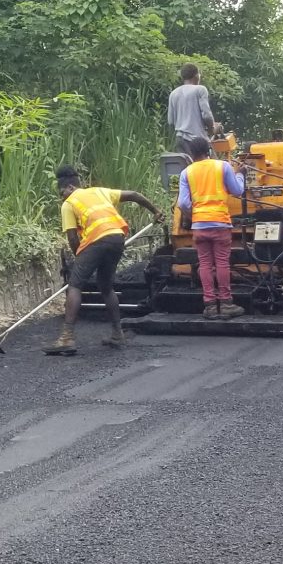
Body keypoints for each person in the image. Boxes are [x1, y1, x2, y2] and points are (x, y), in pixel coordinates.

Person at [48, 166, 163, 355]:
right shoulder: (99, 191)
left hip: (97, 240)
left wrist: (79, 259)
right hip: (117, 237)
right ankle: (117, 334)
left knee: (75, 285)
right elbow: (134, 194)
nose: (61, 196)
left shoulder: (69, 203)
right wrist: (155, 211)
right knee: (106, 285)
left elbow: (72, 238)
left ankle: (66, 338)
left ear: (69, 187)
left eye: (61, 192)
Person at [178, 138, 246, 319]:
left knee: (205, 264)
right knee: (222, 263)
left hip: (199, 225)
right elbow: (238, 191)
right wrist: (240, 174)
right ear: (209, 150)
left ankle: (209, 307)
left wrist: (194, 215)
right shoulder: (222, 166)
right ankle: (225, 305)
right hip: (220, 223)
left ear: (191, 154)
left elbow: (183, 203)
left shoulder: (186, 172)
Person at [166, 63, 218, 159]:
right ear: (196, 75)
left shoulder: (173, 93)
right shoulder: (200, 89)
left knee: (187, 169)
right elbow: (207, 115)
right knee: (215, 167)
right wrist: (211, 128)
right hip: (197, 141)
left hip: (180, 139)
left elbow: (170, 121)